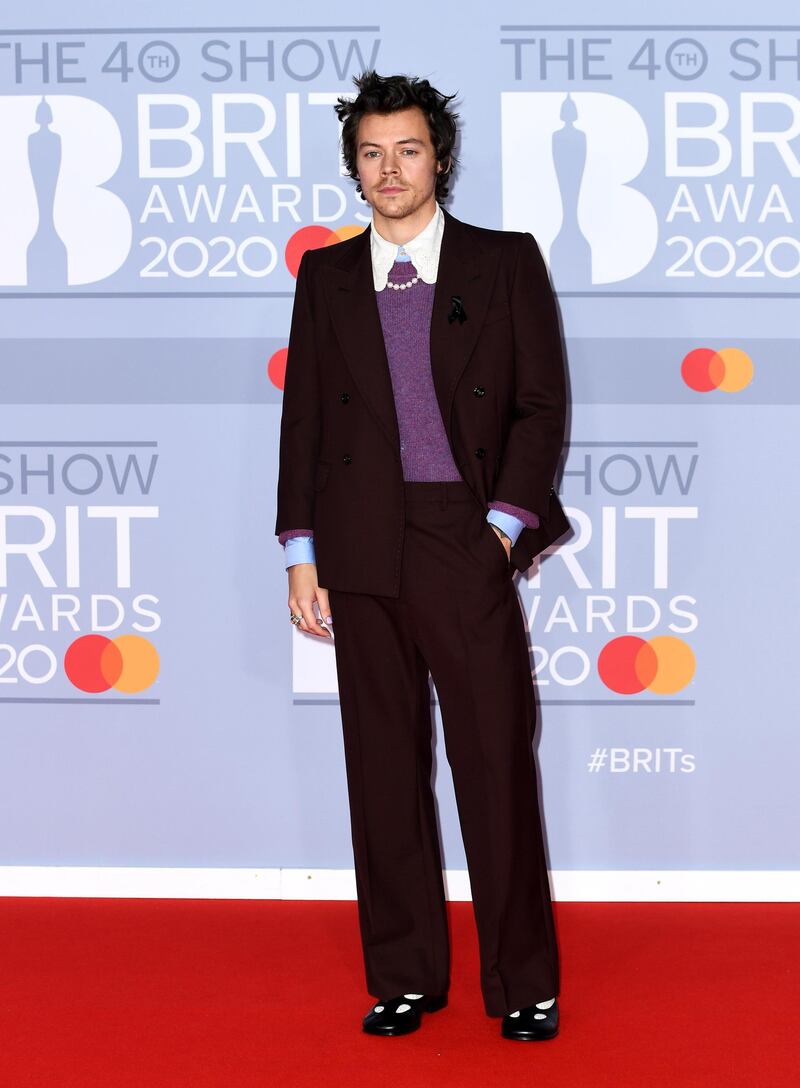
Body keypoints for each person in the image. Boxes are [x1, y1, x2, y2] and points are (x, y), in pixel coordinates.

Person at [274, 70, 569, 1042]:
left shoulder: (502, 261)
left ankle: (522, 979)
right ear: (352, 168)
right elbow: (306, 419)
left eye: (406, 148)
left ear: (437, 156)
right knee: (381, 767)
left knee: (493, 760)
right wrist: (301, 551)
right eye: (370, 152)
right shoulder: (325, 275)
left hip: (460, 534)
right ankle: (404, 971)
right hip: (357, 538)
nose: (389, 167)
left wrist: (499, 526)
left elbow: (537, 404)